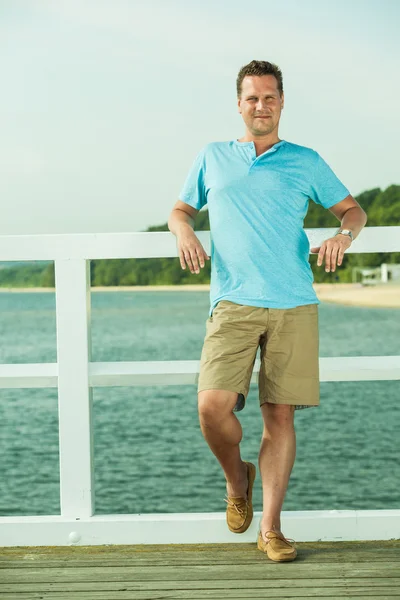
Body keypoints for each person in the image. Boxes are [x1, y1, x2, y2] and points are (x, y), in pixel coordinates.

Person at [168, 59, 367, 562]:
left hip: (294, 302)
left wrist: (344, 235)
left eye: (270, 97)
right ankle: (239, 479)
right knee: (211, 407)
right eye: (252, 97)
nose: (261, 106)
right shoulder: (212, 157)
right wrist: (184, 230)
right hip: (232, 301)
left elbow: (353, 209)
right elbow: (180, 209)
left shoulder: (305, 159)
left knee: (279, 416)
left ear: (282, 102)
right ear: (239, 104)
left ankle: (272, 529)